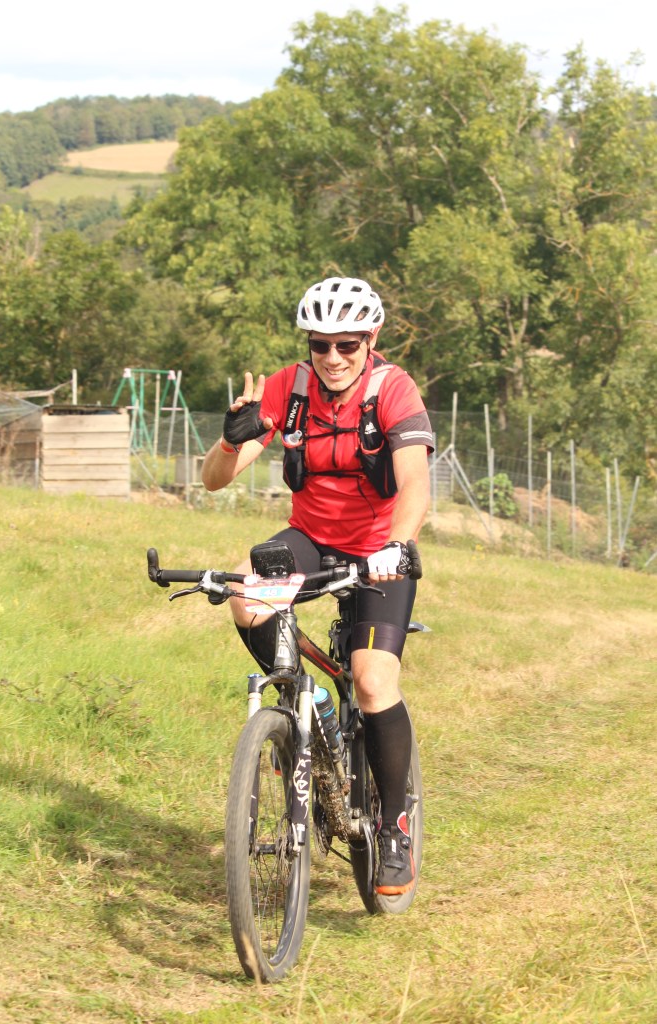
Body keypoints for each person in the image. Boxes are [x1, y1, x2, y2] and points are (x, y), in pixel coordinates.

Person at [202, 276, 433, 895]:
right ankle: (308, 705)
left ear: (370, 339)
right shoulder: (289, 389)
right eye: (320, 343)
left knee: (372, 679)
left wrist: (397, 546)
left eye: (347, 344)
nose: (333, 357)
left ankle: (394, 826)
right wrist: (229, 439)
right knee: (245, 597)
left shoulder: (393, 389)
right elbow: (214, 479)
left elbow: (415, 483)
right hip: (311, 538)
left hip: (379, 551)